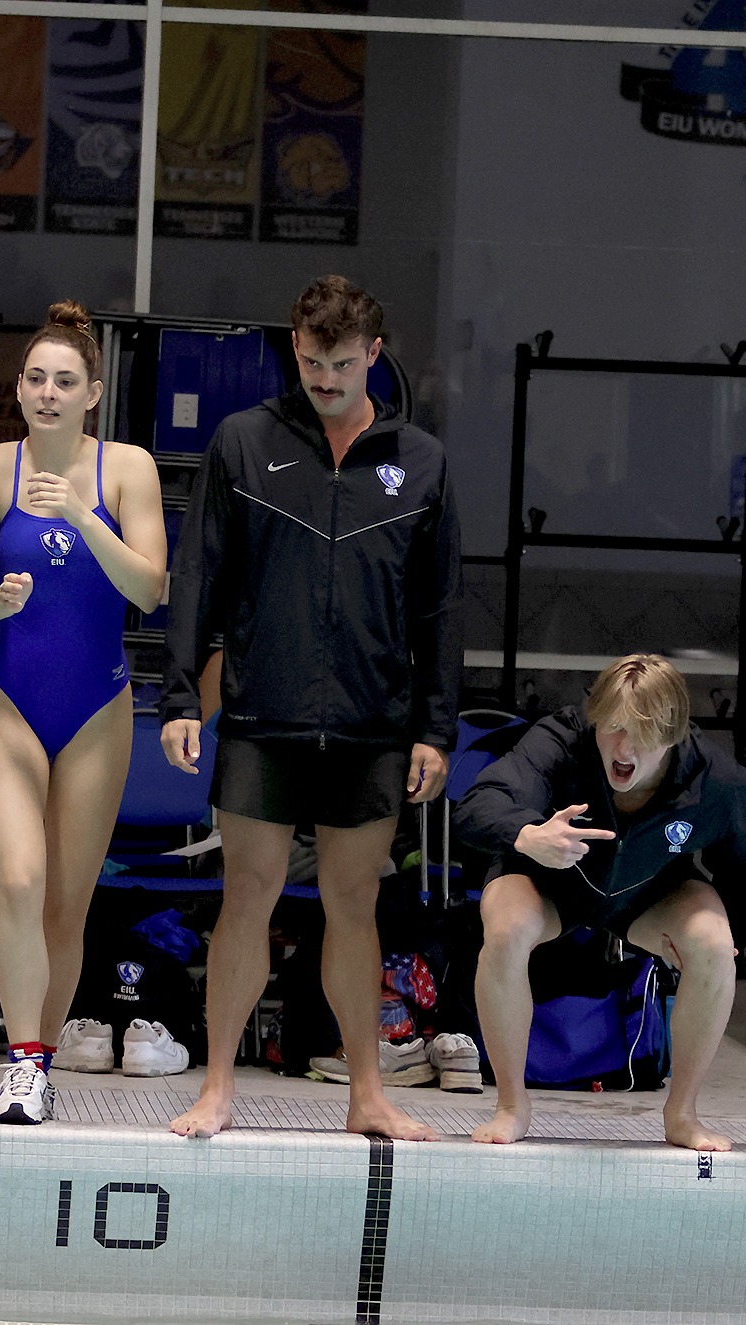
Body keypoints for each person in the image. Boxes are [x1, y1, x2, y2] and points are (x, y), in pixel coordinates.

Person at [161, 274, 461, 1140]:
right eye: (307, 360)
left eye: (337, 363)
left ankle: (367, 1091)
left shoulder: (425, 462)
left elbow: (441, 607)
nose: (322, 378)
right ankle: (218, 1085)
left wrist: (436, 728)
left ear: (374, 353)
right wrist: (183, 694)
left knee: (353, 903)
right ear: (291, 348)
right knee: (245, 895)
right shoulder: (244, 443)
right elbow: (198, 577)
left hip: (371, 723)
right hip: (263, 715)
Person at [0, 301, 167, 1125]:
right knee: (19, 877)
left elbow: (150, 587)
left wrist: (81, 516)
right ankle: (22, 1059)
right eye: (36, 377)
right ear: (19, 388)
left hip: (97, 708)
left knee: (64, 905)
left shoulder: (127, 469)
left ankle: (37, 1066)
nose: (48, 391)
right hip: (9, 700)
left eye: (65, 380)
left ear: (93, 393)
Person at [456, 654, 746, 1150]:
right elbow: (477, 804)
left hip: (646, 895)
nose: (624, 749)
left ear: (674, 735)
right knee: (507, 930)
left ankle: (682, 1112)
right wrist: (527, 833)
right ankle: (512, 1104)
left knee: (713, 941)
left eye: (643, 733)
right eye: (613, 728)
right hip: (551, 881)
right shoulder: (562, 738)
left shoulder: (717, 781)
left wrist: (740, 936)